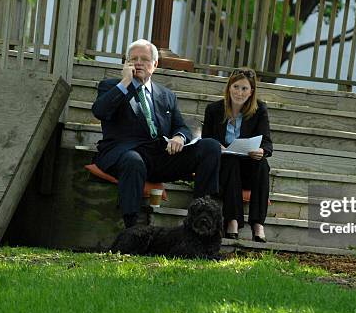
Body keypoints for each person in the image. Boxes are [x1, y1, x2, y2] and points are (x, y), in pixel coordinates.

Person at [92, 39, 221, 228]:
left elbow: (182, 127)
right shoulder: (110, 86)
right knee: (133, 161)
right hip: (125, 153)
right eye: (133, 59)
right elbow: (100, 111)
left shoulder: (166, 95)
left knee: (210, 146)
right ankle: (132, 227)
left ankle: (201, 215)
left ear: (155, 64)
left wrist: (179, 137)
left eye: (144, 59)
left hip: (160, 155)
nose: (138, 63)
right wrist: (125, 82)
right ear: (125, 63)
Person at [202, 68, 273, 243]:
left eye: (244, 89)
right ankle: (232, 221)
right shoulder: (213, 110)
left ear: (251, 92)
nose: (239, 92)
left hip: (248, 168)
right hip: (223, 169)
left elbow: (267, 142)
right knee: (231, 160)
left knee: (262, 164)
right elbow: (205, 139)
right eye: (236, 87)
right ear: (229, 87)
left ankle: (257, 224)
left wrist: (261, 151)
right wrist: (215, 146)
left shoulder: (259, 110)